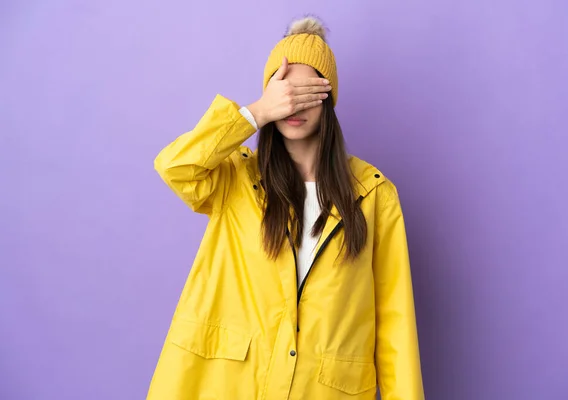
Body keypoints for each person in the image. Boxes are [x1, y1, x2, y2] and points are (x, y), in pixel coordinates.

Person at [147, 16, 424, 400]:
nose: (293, 101)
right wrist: (255, 113)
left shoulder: (374, 194)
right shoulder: (236, 177)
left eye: (306, 87)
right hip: (228, 387)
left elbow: (395, 325)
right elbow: (174, 167)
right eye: (282, 88)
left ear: (328, 96)